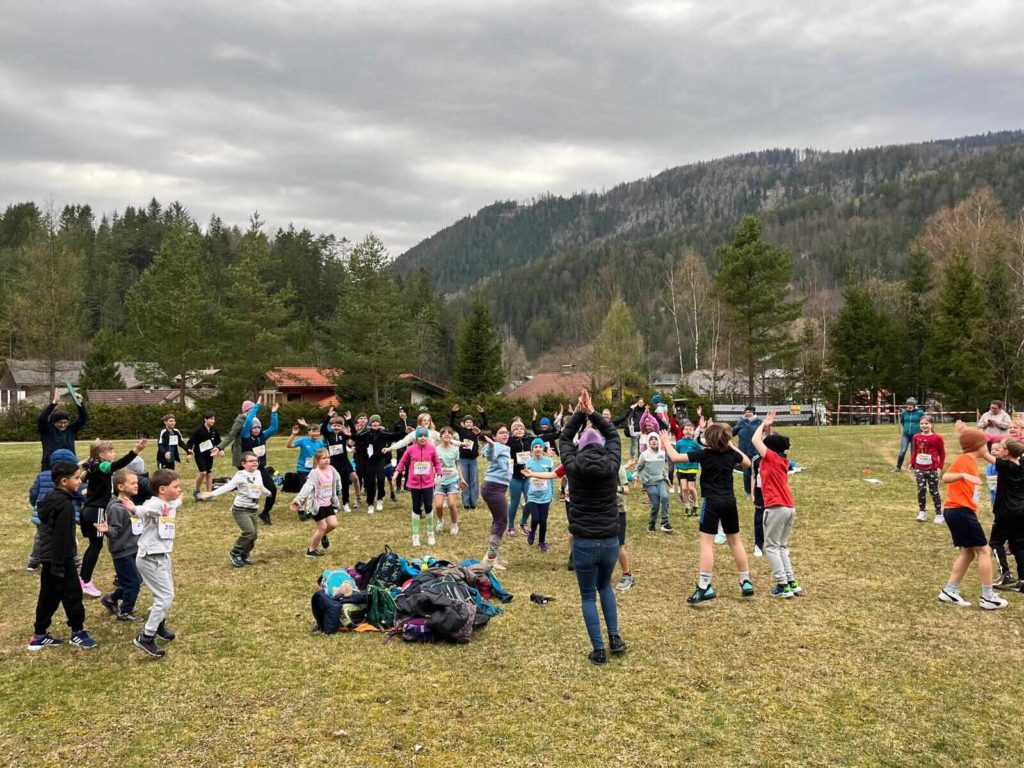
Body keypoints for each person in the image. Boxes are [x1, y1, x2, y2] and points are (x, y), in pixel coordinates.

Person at [559, 389, 626, 665]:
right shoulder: (612, 462)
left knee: (588, 595)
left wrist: (579, 412)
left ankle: (598, 649)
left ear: (580, 448)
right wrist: (592, 413)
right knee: (605, 587)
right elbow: (614, 435)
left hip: (584, 541)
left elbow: (564, 438)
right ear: (601, 445)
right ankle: (615, 638)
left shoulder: (572, 465)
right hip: (610, 540)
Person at [661, 422, 754, 604]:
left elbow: (675, 457)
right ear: (727, 439)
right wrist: (731, 445)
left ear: (708, 440)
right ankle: (746, 581)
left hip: (712, 502)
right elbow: (747, 462)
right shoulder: (731, 454)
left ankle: (704, 586)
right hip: (730, 502)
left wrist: (666, 441)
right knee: (735, 541)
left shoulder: (704, 454)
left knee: (706, 544)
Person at [27, 461, 97, 651]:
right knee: (72, 595)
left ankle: (39, 634)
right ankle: (77, 632)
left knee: (48, 596)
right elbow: (61, 536)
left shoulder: (52, 498)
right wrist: (59, 565)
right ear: (64, 481)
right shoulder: (65, 505)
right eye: (76, 478)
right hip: (60, 559)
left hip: (50, 558)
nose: (79, 481)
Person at [935, 427, 1006, 610]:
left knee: (968, 552)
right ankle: (988, 597)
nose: (987, 447)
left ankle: (949, 591)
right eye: (985, 444)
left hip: (957, 511)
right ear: (978, 445)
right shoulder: (964, 460)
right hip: (960, 511)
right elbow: (946, 477)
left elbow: (998, 463)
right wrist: (963, 475)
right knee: (984, 551)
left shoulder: (971, 459)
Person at [78, 438, 147, 599]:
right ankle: (85, 581)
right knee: (97, 546)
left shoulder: (93, 466)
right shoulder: (102, 466)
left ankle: (85, 579)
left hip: (89, 510)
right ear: (101, 454)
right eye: (110, 451)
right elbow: (118, 465)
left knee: (95, 545)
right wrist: (135, 451)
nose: (113, 453)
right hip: (96, 511)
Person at [751, 411, 803, 598]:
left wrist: (762, 423)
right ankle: (791, 582)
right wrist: (768, 426)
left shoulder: (770, 458)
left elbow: (755, 440)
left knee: (771, 547)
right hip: (789, 507)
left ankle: (782, 585)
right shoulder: (781, 459)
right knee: (781, 546)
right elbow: (768, 441)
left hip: (776, 507)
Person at [134, 468, 183, 658]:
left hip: (162, 556)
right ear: (162, 489)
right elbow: (142, 510)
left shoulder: (170, 502)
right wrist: (132, 508)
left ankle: (159, 624)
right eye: (175, 487)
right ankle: (146, 637)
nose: (179, 489)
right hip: (150, 557)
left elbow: (177, 503)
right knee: (165, 596)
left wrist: (180, 498)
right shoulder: (154, 504)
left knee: (164, 594)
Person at [199, 452, 272, 567]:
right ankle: (236, 551)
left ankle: (244, 556)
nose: (254, 463)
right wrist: (211, 494)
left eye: (256, 461)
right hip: (240, 510)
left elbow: (260, 486)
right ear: (243, 464)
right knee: (249, 532)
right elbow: (228, 486)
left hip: (253, 509)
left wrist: (268, 493)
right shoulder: (240, 475)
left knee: (253, 536)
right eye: (251, 461)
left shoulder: (258, 473)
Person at [95, 469, 143, 621]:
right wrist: (107, 530)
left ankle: (111, 599)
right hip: (123, 552)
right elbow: (114, 532)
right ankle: (125, 612)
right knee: (133, 583)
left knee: (136, 580)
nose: (136, 485)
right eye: (132, 483)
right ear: (121, 486)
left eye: (137, 482)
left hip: (134, 548)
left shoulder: (129, 503)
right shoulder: (116, 508)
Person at [27, 449, 82, 571]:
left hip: (43, 514)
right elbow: (80, 493)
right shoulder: (69, 480)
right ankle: (75, 558)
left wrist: (36, 504)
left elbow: (33, 493)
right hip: (63, 514)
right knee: (68, 535)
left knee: (41, 537)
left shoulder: (42, 476)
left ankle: (34, 560)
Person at [290, 449, 343, 558]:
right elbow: (306, 488)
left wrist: (339, 490)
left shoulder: (332, 469)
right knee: (322, 527)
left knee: (333, 524)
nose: (327, 460)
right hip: (317, 505)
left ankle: (322, 535)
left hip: (328, 503)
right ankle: (311, 550)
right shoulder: (314, 473)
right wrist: (298, 501)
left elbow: (337, 479)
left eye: (328, 457)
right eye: (323, 458)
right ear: (317, 460)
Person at [986, 439, 1024, 590]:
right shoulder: (1022, 464)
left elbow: (984, 454)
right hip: (1021, 511)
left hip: (1005, 512)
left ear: (1007, 452)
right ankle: (1022, 580)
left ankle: (1005, 575)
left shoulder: (1005, 465)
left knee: (996, 542)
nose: (998, 449)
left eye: (1001, 448)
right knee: (1019, 545)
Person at [394, 428, 442, 547]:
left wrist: (439, 473)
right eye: (420, 436)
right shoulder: (410, 449)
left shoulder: (432, 449)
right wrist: (397, 472)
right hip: (414, 483)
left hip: (428, 483)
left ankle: (430, 533)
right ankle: (415, 535)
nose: (422, 438)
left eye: (425, 436)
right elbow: (402, 461)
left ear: (428, 437)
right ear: (416, 438)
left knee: (428, 506)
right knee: (416, 507)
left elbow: (436, 462)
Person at [347, 414, 405, 514]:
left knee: (381, 479)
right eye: (373, 421)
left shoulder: (383, 432)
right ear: (370, 423)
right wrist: (349, 422)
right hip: (369, 460)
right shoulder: (366, 432)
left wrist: (405, 431)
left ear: (379, 423)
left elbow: (396, 436)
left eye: (377, 421)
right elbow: (355, 437)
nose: (375, 423)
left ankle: (379, 499)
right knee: (371, 482)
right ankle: (370, 504)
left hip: (380, 459)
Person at [479, 423, 512, 570]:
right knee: (501, 521)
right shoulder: (496, 446)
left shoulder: (504, 447)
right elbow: (490, 457)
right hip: (493, 488)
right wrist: (492, 445)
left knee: (498, 520)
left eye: (506, 432)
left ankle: (492, 555)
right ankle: (490, 559)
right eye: (501, 432)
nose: (505, 434)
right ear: (494, 436)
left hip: (498, 488)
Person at [242, 402, 280, 524]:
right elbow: (248, 421)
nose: (257, 429)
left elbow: (274, 428)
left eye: (258, 427)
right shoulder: (246, 436)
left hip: (261, 469)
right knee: (253, 493)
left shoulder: (263, 436)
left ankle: (265, 513)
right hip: (249, 471)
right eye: (254, 427)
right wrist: (256, 407)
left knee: (272, 489)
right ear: (250, 429)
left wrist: (274, 413)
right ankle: (246, 514)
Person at [37, 391, 88, 471]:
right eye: (60, 423)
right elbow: (42, 418)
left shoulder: (71, 430)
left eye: (65, 422)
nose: (63, 425)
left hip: (69, 464)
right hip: (50, 466)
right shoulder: (47, 431)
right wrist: (53, 404)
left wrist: (79, 402)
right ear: (54, 422)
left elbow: (83, 418)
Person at [450, 403, 488, 509]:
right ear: (463, 424)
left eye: (470, 422)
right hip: (463, 459)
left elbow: (485, 423)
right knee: (465, 480)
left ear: (473, 423)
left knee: (474, 480)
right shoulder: (461, 430)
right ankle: (466, 503)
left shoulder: (475, 431)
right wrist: (453, 412)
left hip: (473, 459)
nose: (468, 423)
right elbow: (452, 423)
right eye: (467, 422)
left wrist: (482, 413)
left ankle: (473, 502)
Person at [635, 432, 674, 534]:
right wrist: (635, 476)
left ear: (658, 441)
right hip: (649, 483)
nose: (653, 441)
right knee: (655, 505)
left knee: (665, 497)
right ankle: (651, 524)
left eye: (655, 439)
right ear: (648, 442)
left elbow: (662, 469)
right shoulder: (644, 455)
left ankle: (664, 523)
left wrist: (667, 480)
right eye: (651, 439)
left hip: (660, 481)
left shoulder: (662, 454)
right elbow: (638, 468)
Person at [910, 416, 945, 523]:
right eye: (922, 424)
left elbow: (942, 453)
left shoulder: (937, 438)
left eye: (926, 423)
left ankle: (938, 514)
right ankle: (922, 512)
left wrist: (939, 467)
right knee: (921, 490)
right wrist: (912, 463)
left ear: (932, 425)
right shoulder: (916, 437)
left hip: (932, 468)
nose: (924, 426)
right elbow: (915, 451)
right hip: (919, 468)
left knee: (934, 491)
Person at [433, 426, 467, 535]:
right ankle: (440, 521)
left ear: (452, 436)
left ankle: (454, 524)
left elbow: (457, 465)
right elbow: (433, 465)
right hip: (439, 480)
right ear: (440, 436)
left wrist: (461, 479)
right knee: (438, 505)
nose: (447, 434)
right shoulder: (436, 450)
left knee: (452, 504)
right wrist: (432, 478)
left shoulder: (455, 450)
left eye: (449, 433)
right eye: (444, 433)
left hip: (453, 480)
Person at [523, 437, 555, 551]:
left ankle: (542, 542)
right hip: (533, 495)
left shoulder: (548, 461)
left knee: (543, 521)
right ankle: (532, 532)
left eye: (540, 446)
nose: (538, 449)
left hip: (545, 495)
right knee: (535, 519)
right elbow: (526, 479)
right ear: (532, 449)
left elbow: (552, 478)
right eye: (535, 447)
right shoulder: (528, 462)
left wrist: (552, 494)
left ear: (543, 449)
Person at [322, 408, 356, 513]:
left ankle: (345, 503)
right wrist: (328, 416)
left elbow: (354, 434)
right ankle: (335, 504)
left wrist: (349, 420)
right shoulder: (328, 435)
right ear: (331, 426)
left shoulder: (344, 436)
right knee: (333, 484)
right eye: (334, 425)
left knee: (345, 483)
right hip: (333, 463)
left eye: (338, 426)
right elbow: (323, 428)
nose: (336, 427)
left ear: (341, 427)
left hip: (344, 462)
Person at [506, 418, 534, 537]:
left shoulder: (528, 439)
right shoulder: (509, 441)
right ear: (512, 431)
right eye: (516, 429)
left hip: (527, 476)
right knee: (515, 502)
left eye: (521, 428)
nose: (519, 430)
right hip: (515, 477)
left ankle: (523, 522)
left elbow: (543, 439)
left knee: (531, 500)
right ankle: (511, 526)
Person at [285, 421, 324, 501]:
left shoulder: (320, 443)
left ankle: (312, 506)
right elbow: (289, 445)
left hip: (315, 470)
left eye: (318, 431)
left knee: (315, 490)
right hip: (303, 469)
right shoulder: (303, 440)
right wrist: (293, 434)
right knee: (305, 490)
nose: (316, 433)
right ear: (309, 432)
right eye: (314, 431)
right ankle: (301, 506)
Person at [186, 411, 220, 499]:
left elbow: (218, 441)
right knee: (203, 472)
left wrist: (220, 449)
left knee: (209, 473)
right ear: (205, 419)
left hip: (209, 454)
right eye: (211, 419)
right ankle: (197, 490)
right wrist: (189, 452)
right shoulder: (198, 430)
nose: (213, 421)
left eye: (214, 419)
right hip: (199, 454)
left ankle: (209, 494)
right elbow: (190, 442)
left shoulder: (214, 430)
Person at [732, 406, 761, 498]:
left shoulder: (759, 422)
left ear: (754, 413)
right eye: (746, 412)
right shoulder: (740, 423)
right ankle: (748, 492)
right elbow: (732, 433)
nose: (747, 413)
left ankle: (757, 491)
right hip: (744, 452)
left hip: (756, 452)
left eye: (750, 411)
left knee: (756, 472)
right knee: (746, 473)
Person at [674, 421, 701, 517]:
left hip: (692, 468)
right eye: (686, 429)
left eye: (690, 430)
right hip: (681, 468)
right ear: (683, 431)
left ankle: (695, 504)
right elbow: (676, 454)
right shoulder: (679, 443)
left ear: (693, 432)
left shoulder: (695, 444)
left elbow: (700, 454)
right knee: (684, 488)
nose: (688, 431)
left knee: (691, 488)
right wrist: (677, 467)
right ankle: (687, 506)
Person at [894, 397, 925, 472]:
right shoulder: (904, 413)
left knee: (913, 452)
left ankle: (913, 467)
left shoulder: (920, 412)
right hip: (906, 435)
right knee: (903, 451)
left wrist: (920, 430)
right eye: (907, 404)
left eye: (910, 404)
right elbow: (902, 422)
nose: (909, 406)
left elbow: (925, 421)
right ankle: (898, 467)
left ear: (914, 405)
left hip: (916, 436)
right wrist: (906, 428)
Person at [392, 406, 413, 493]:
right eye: (400, 411)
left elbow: (415, 433)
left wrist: (413, 430)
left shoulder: (411, 422)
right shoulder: (397, 423)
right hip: (401, 447)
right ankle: (398, 485)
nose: (402, 413)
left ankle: (407, 486)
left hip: (410, 447)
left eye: (403, 411)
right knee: (400, 465)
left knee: (408, 466)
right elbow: (394, 435)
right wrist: (404, 432)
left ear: (407, 413)